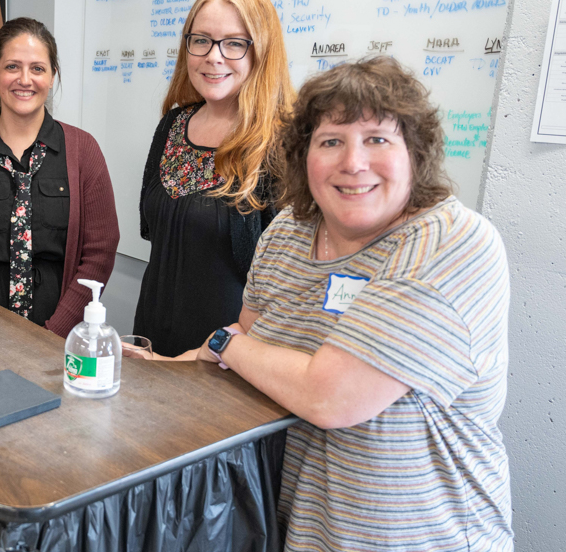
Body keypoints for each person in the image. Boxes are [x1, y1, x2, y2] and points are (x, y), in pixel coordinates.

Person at [147, 57, 513, 551]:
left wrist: (222, 344)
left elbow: (331, 395)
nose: (353, 162)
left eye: (377, 139)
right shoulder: (287, 234)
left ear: (416, 153)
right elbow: (249, 347)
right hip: (294, 530)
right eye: (331, 141)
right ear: (303, 157)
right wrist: (162, 369)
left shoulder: (450, 243)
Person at [0, 17, 119, 337]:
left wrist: (52, 334)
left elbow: (100, 251)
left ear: (53, 75)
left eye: (38, 68)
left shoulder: (84, 151)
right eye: (12, 66)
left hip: (59, 337)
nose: (24, 80)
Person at [135, 0, 295, 357]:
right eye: (202, 39)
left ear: (262, 52)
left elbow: (287, 282)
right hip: (152, 343)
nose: (214, 56)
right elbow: (154, 233)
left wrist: (215, 354)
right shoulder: (172, 126)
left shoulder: (281, 144)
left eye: (235, 43)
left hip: (227, 358)